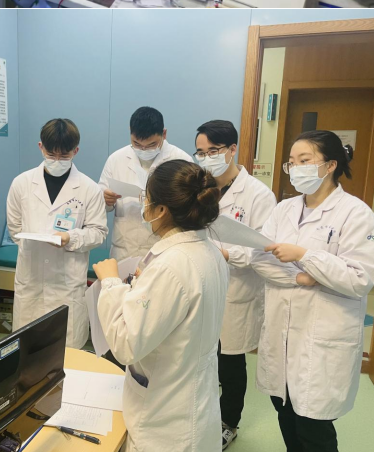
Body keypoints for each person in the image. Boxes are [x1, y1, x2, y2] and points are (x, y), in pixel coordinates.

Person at [251, 130, 374, 452]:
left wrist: (305, 256)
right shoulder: (283, 209)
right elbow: (259, 259)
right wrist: (302, 279)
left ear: (330, 165)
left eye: (304, 160)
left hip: (322, 338)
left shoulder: (356, 213)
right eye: (291, 162)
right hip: (281, 332)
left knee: (314, 427)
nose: (296, 169)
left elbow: (359, 278)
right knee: (284, 411)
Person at [94, 159, 229, 452]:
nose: (144, 205)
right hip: (191, 401)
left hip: (165, 421)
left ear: (161, 210)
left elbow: (126, 344)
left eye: (147, 199)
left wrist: (111, 283)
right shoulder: (209, 252)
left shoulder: (171, 266)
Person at [195, 119, 276, 449]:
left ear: (232, 149)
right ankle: (202, 415)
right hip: (201, 285)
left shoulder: (258, 195)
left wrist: (227, 253)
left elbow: (264, 247)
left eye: (212, 151)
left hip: (236, 290)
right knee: (201, 357)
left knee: (230, 363)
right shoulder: (199, 187)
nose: (206, 158)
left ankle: (229, 422)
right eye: (200, 152)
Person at [7, 119, 107, 348]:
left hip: (67, 285)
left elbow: (99, 232)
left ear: (76, 151)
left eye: (64, 156)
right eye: (51, 154)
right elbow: (14, 229)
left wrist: (71, 238)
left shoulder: (89, 189)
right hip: (31, 281)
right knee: (28, 352)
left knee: (67, 353)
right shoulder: (22, 184)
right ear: (40, 147)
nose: (57, 160)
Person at [100, 107, 192, 262]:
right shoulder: (116, 159)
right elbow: (101, 202)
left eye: (151, 145)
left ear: (164, 134)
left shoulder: (181, 160)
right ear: (130, 132)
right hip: (124, 249)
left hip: (164, 251)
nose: (143, 149)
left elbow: (188, 210)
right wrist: (106, 200)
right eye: (136, 143)